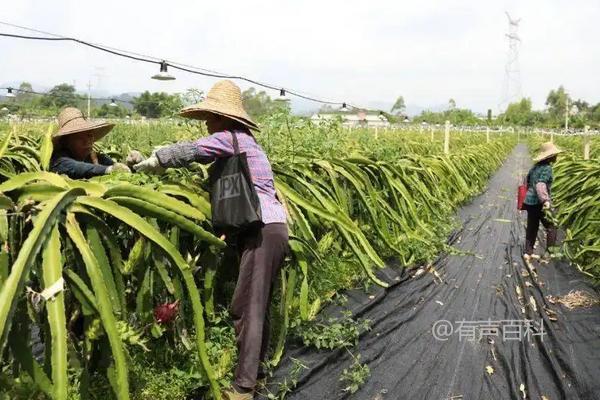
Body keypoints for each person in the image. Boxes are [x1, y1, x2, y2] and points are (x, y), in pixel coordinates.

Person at [134, 80, 289, 400]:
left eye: (210, 117)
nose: (206, 123)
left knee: (249, 307)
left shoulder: (231, 139)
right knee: (254, 304)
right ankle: (256, 372)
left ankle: (243, 388)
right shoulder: (244, 143)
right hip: (266, 230)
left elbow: (193, 151)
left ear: (223, 118)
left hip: (263, 231)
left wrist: (157, 159)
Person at [50, 107, 143, 179]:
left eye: (89, 135)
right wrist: (108, 170)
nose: (87, 141)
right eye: (79, 137)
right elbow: (77, 167)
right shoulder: (60, 160)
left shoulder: (96, 157)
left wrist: (131, 164)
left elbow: (117, 168)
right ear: (66, 141)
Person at [523, 142, 563, 263]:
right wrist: (545, 200)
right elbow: (541, 185)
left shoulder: (535, 167)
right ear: (549, 157)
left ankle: (527, 253)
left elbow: (527, 181)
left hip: (529, 201)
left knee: (532, 227)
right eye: (554, 155)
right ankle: (548, 254)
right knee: (552, 226)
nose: (556, 156)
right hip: (539, 202)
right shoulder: (547, 168)